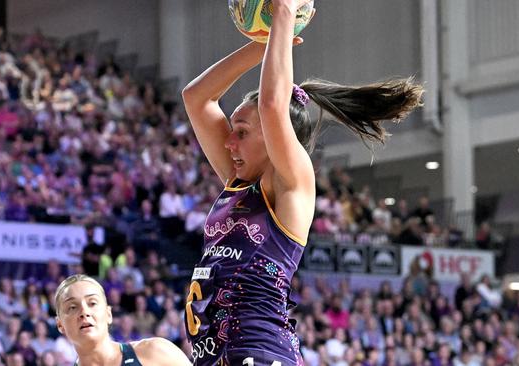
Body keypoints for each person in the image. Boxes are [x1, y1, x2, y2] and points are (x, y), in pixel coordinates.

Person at [181, 0, 423, 364]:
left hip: (260, 353)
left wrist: (283, 13)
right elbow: (196, 98)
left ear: (277, 137)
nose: (229, 142)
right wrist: (262, 43)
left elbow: (272, 107)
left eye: (241, 132)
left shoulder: (290, 181)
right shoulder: (238, 181)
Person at [53, 274, 190, 366]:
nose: (84, 312)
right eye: (72, 307)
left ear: (109, 314)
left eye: (92, 303)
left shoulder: (156, 351)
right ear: (60, 325)